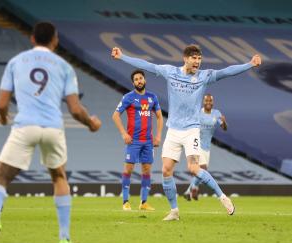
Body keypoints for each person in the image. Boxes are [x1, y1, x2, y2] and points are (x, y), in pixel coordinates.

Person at [0, 22, 101, 243]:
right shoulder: (64, 66)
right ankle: (64, 238)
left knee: (1, 177)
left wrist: (3, 118)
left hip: (25, 126)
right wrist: (91, 123)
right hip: (53, 128)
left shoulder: (16, 62)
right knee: (58, 176)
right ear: (55, 41)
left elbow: (2, 103)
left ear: (32, 39)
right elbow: (74, 109)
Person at [111, 44, 261, 220]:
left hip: (191, 130)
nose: (197, 62)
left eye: (199, 59)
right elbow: (146, 65)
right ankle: (174, 211)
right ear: (185, 59)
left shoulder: (204, 76)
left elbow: (227, 71)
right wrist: (122, 56)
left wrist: (250, 64)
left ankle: (223, 197)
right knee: (166, 170)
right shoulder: (171, 72)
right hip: (173, 130)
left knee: (194, 168)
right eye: (194, 58)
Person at [112, 69, 163, 211]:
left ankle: (144, 202)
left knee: (146, 170)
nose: (139, 81)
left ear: (144, 80)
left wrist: (158, 136)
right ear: (133, 83)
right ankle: (125, 202)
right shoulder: (128, 97)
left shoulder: (152, 97)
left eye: (141, 78)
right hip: (133, 140)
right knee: (128, 169)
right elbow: (115, 116)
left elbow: (159, 117)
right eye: (136, 79)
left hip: (148, 141)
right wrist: (123, 134)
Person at [183, 94, 227, 201]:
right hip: (196, 144)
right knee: (203, 169)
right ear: (203, 102)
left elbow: (224, 128)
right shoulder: (198, 113)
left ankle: (189, 191)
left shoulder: (216, 113)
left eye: (210, 101)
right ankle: (193, 188)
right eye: (206, 100)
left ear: (213, 102)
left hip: (207, 147)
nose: (208, 102)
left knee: (202, 170)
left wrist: (224, 121)